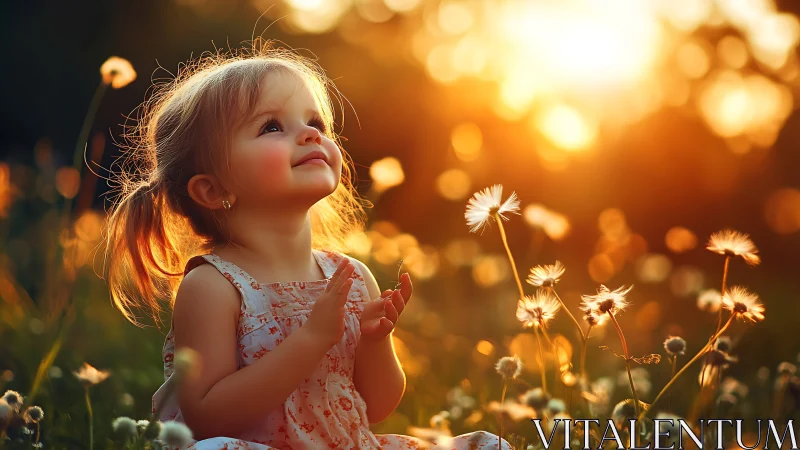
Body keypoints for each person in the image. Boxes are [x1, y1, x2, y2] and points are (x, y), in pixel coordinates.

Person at [103, 40, 512, 450]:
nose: (311, 134)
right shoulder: (214, 287)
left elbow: (376, 407)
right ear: (213, 189)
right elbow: (207, 417)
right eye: (272, 127)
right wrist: (311, 340)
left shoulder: (349, 276)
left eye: (316, 121)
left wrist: (374, 342)